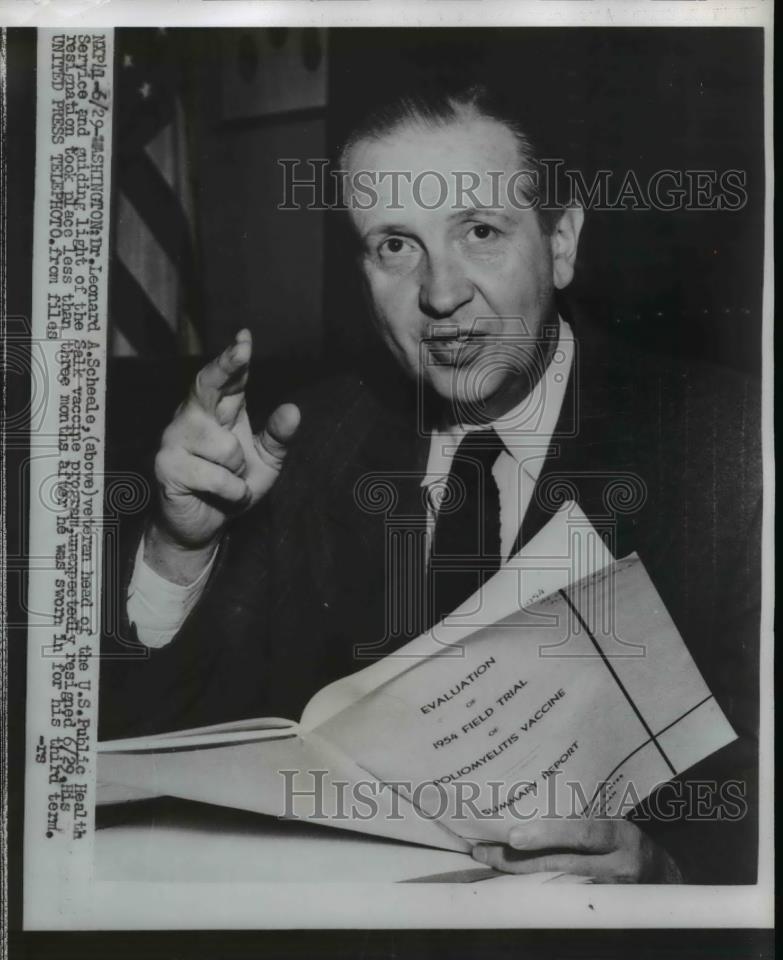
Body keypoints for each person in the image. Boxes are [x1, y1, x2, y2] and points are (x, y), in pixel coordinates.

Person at [100, 84, 761, 884]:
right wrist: (179, 548)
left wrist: (670, 871)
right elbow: (135, 759)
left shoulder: (729, 447)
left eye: (479, 231)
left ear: (560, 241)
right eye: (394, 246)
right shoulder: (307, 445)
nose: (439, 294)